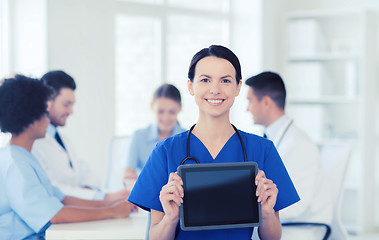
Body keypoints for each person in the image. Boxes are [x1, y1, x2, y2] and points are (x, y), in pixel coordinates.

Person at [128, 45, 300, 240]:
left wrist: (267, 213)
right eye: (205, 80)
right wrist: (170, 218)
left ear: (237, 87)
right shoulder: (165, 151)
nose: (215, 89)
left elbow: (273, 238)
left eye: (225, 81)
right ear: (191, 86)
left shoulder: (263, 150)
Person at [0, 75, 132, 240]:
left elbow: (63, 199)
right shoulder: (16, 164)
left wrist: (112, 204)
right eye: (44, 112)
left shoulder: (25, 157)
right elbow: (53, 215)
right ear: (32, 120)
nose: (48, 119)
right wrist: (111, 211)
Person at [245, 71, 332, 239]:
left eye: (250, 101)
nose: (247, 108)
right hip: (282, 224)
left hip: (301, 229)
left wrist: (252, 209)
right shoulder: (273, 140)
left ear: (266, 102)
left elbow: (298, 205)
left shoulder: (299, 144)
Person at [32, 70, 127, 200]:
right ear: (47, 101)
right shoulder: (34, 142)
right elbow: (53, 189)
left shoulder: (64, 140)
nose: (71, 111)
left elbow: (85, 173)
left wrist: (90, 189)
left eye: (72, 105)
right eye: (66, 104)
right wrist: (104, 197)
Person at [123, 83, 186, 183]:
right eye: (160, 111)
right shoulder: (139, 136)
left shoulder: (189, 138)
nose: (166, 118)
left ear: (179, 108)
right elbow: (128, 176)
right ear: (152, 107)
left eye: (172, 112)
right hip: (146, 196)